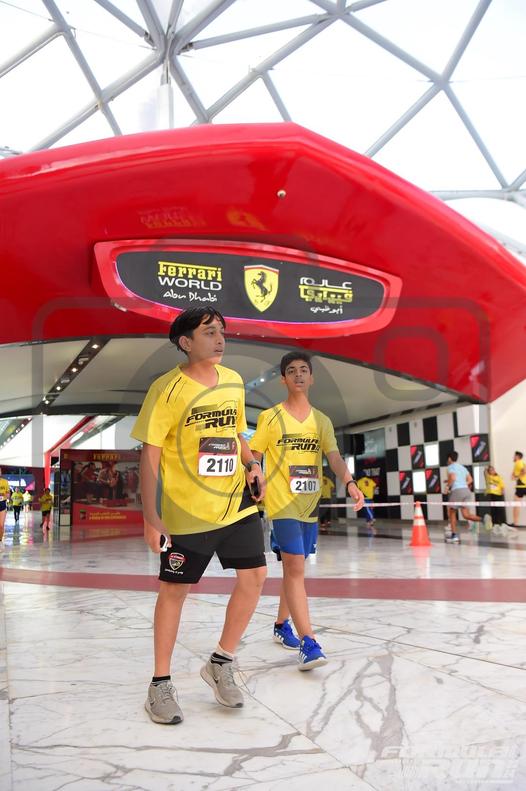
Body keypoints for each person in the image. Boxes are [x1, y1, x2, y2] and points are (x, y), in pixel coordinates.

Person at [131, 307, 266, 725]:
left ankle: (221, 661)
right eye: (209, 332)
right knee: (175, 592)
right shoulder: (166, 389)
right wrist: (151, 517)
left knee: (255, 577)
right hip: (187, 510)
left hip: (235, 501)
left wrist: (251, 464)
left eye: (222, 330)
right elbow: (150, 455)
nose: (220, 338)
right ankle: (159, 684)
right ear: (186, 342)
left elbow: (236, 433)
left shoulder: (233, 381)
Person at [250, 352, 364, 670]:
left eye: (303, 370)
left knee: (294, 568)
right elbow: (255, 453)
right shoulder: (270, 417)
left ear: (311, 378)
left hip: (310, 505)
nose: (298, 374)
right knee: (296, 567)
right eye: (291, 371)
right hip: (282, 503)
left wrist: (350, 482)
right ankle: (308, 642)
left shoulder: (321, 421)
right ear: (283, 379)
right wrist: (254, 472)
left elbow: (334, 457)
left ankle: (280, 624)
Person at [445, 452, 491, 543]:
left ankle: (454, 536)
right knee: (466, 515)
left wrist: (447, 486)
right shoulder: (462, 467)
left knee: (451, 513)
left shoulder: (450, 467)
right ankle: (483, 519)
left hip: (457, 491)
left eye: (447, 459)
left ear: (449, 459)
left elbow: (453, 478)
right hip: (466, 491)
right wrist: (462, 484)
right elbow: (470, 480)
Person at [511, 451, 526, 527]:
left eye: (514, 456)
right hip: (523, 485)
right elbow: (512, 477)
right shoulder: (521, 463)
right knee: (516, 505)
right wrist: (514, 476)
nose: (513, 457)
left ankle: (515, 523)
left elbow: (524, 470)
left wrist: (517, 476)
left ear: (517, 456)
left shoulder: (518, 462)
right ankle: (515, 523)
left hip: (521, 486)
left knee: (516, 505)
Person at [0, 469, 9, 542]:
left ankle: (0, 539)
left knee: (1, 525)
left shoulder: (5, 482)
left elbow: (8, 494)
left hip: (2, 505)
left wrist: (4, 495)